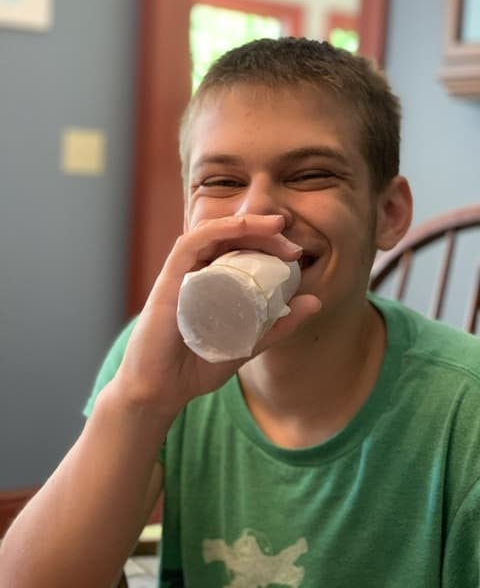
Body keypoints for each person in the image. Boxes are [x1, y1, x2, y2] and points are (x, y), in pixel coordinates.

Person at [1, 37, 480, 588]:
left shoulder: (462, 414)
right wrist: (139, 401)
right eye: (222, 182)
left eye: (309, 174)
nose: (255, 210)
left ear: (389, 212)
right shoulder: (156, 362)